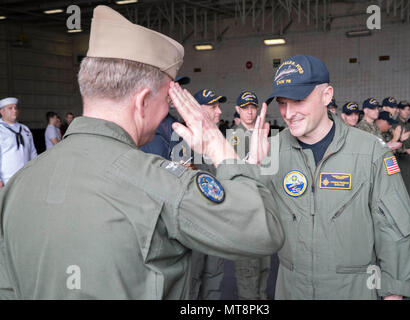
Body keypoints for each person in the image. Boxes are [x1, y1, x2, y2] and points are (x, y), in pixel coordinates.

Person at [0, 5, 284, 300]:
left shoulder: (17, 187)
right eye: (167, 100)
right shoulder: (161, 184)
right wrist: (220, 149)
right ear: (142, 101)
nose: (168, 111)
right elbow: (264, 229)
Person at [252, 54, 410, 299]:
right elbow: (244, 218)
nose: (288, 113)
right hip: (292, 289)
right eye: (282, 102)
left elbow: (395, 226)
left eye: (298, 100)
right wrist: (242, 171)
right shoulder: (270, 151)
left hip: (353, 290)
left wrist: (394, 290)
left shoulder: (370, 151)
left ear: (327, 95)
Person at [183, 88, 227, 300]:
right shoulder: (183, 140)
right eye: (213, 107)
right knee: (192, 281)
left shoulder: (220, 141)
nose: (219, 112)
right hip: (194, 227)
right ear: (197, 109)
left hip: (216, 224)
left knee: (214, 278)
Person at [227, 91, 271, 300]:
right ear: (238, 110)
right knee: (248, 275)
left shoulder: (261, 135)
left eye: (253, 107)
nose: (250, 112)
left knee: (263, 271)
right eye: (245, 108)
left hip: (263, 212)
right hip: (245, 215)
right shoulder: (234, 139)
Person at [139, 76, 190, 159]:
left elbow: (182, 156)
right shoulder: (140, 122)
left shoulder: (174, 123)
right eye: (172, 90)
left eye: (178, 90)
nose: (177, 95)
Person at [0, 97, 37, 187]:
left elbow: (32, 152)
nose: (14, 110)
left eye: (15, 108)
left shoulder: (25, 129)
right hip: (7, 180)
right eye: (10, 108)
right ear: (2, 112)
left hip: (26, 177)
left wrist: (36, 171)